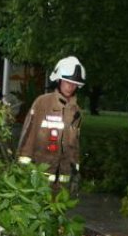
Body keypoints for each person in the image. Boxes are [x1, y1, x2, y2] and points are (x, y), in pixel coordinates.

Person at [16, 56, 85, 194]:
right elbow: (28, 136)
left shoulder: (77, 112)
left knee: (56, 215)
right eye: (67, 81)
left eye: (74, 83)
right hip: (38, 178)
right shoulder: (42, 103)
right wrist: (22, 170)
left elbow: (75, 145)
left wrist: (75, 172)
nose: (70, 86)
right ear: (59, 80)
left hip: (62, 183)